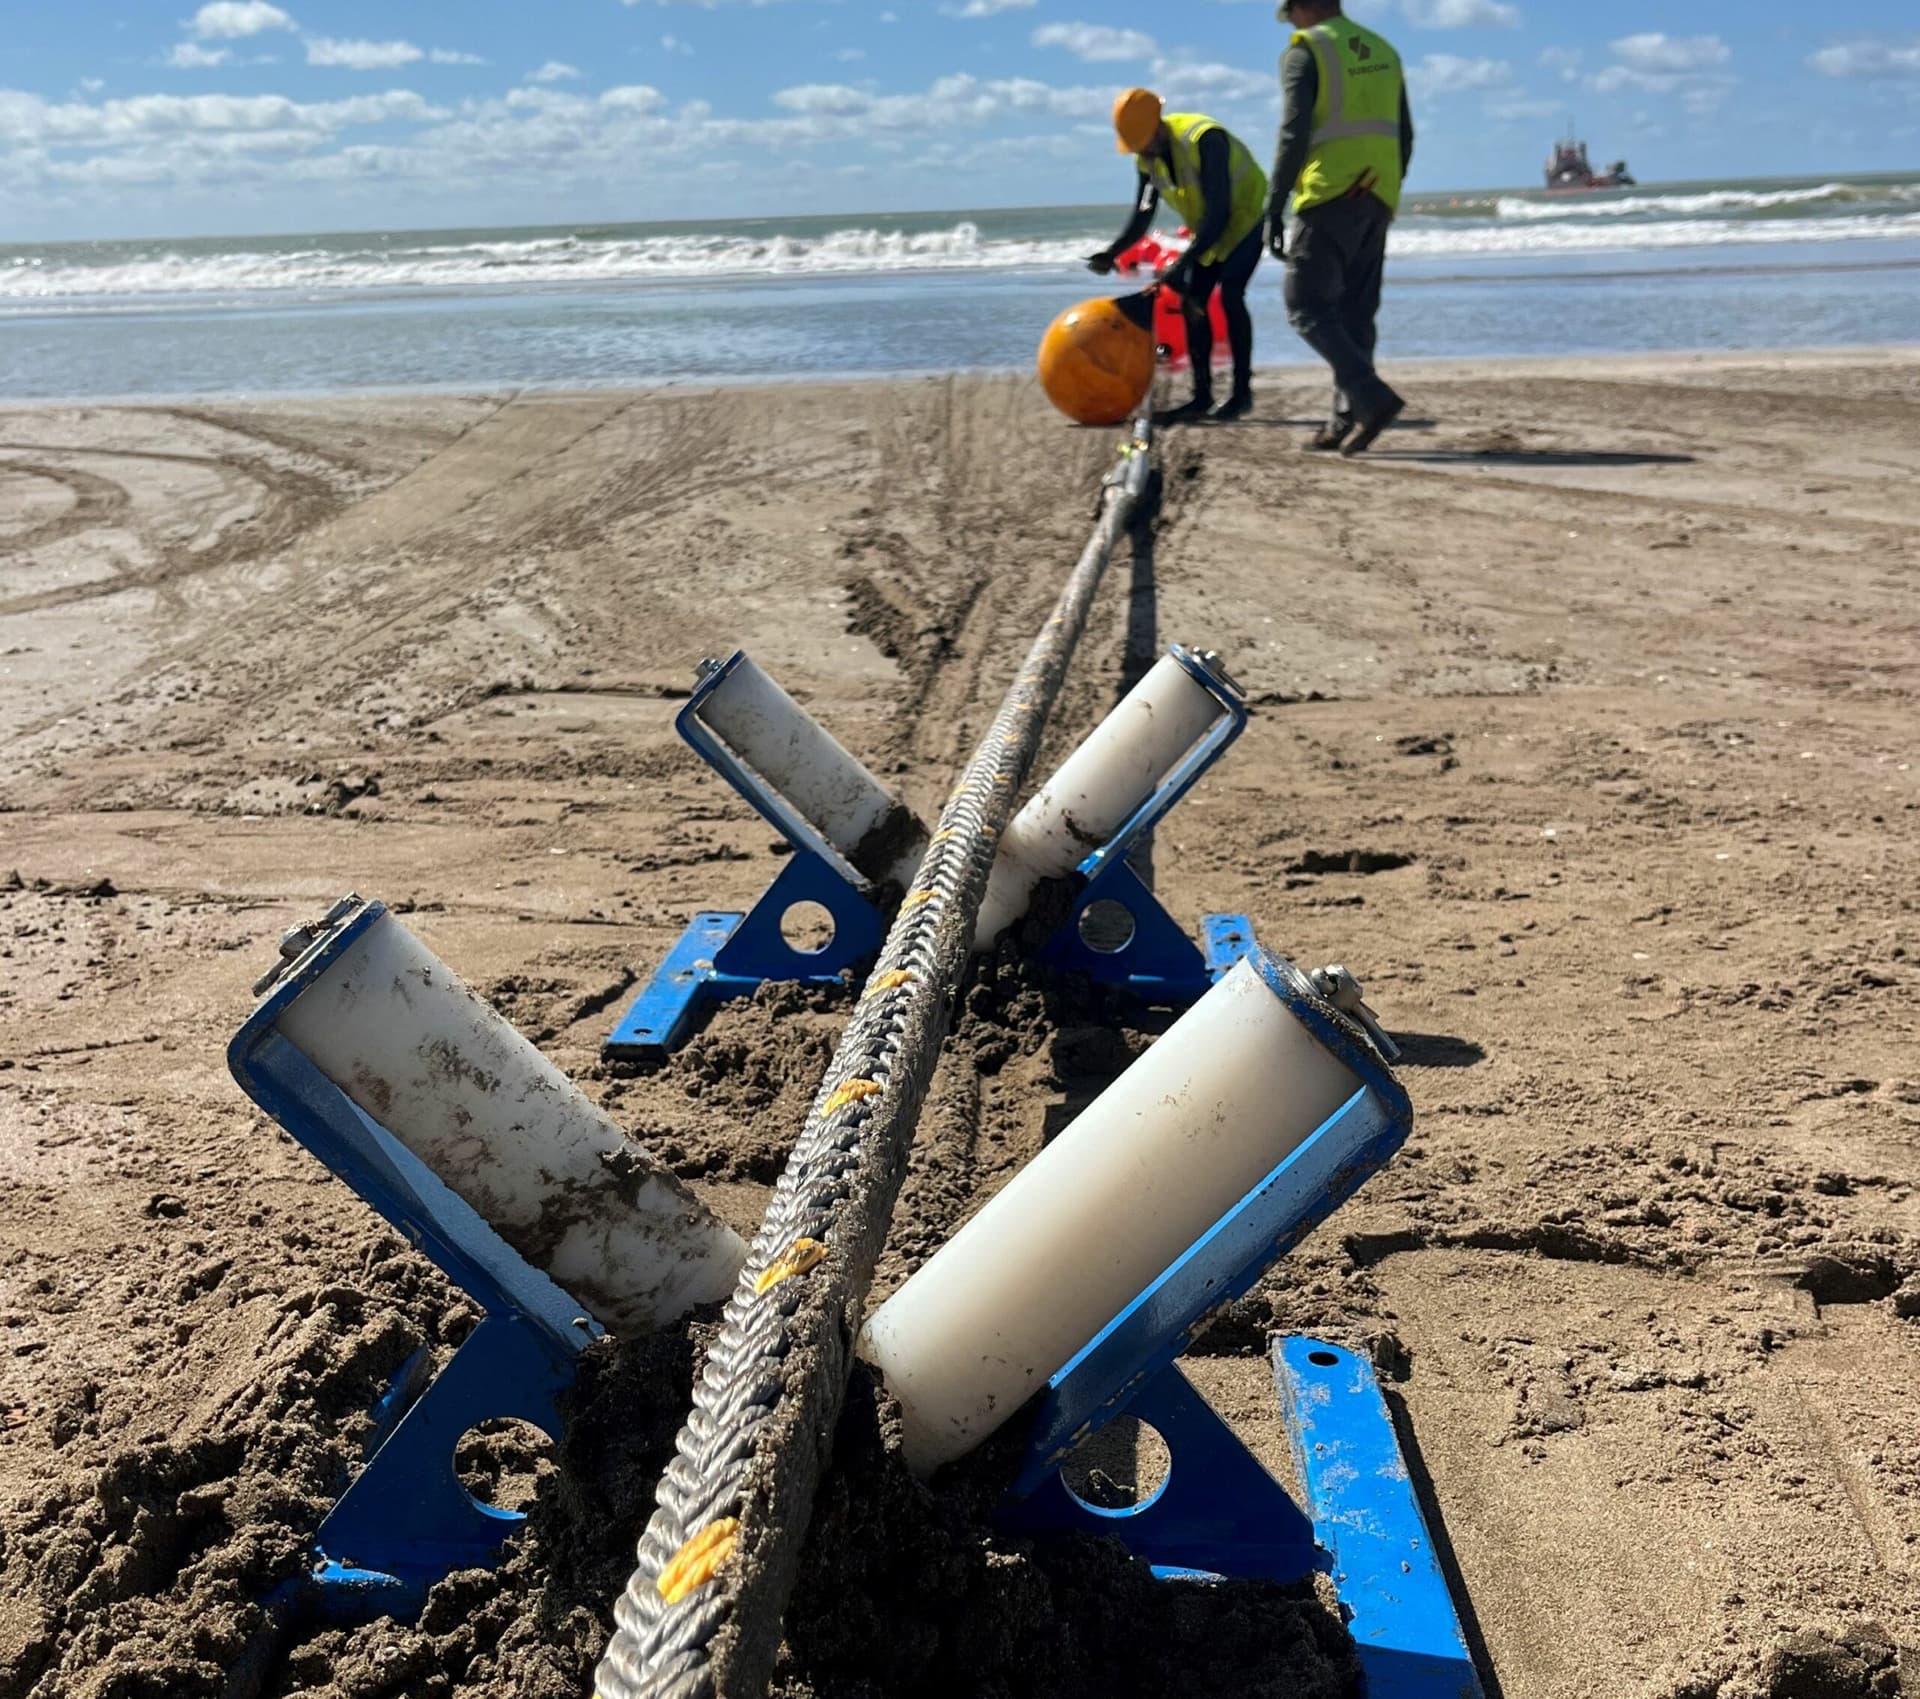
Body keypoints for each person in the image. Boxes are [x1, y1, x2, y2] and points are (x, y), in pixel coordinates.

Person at [1267, 0, 1415, 454]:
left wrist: (1274, 204)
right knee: (1355, 311)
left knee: (1305, 304)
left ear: (1306, 7)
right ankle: (1343, 422)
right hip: (1378, 192)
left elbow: (1294, 133)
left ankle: (1370, 397)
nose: (1289, 21)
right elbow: (1405, 135)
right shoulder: (1383, 50)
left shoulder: (1307, 50)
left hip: (1330, 192)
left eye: (1290, 12)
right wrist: (1385, 188)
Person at [1088, 89, 1269, 425]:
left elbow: (1220, 212)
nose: (1142, 150)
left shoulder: (1204, 139)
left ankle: (1241, 394)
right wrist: (1111, 252)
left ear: (1158, 126)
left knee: (1231, 295)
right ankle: (1201, 398)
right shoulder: (1146, 159)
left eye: (1144, 141)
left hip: (1244, 220)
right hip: (1209, 232)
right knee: (1191, 301)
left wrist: (1181, 264)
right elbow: (1143, 213)